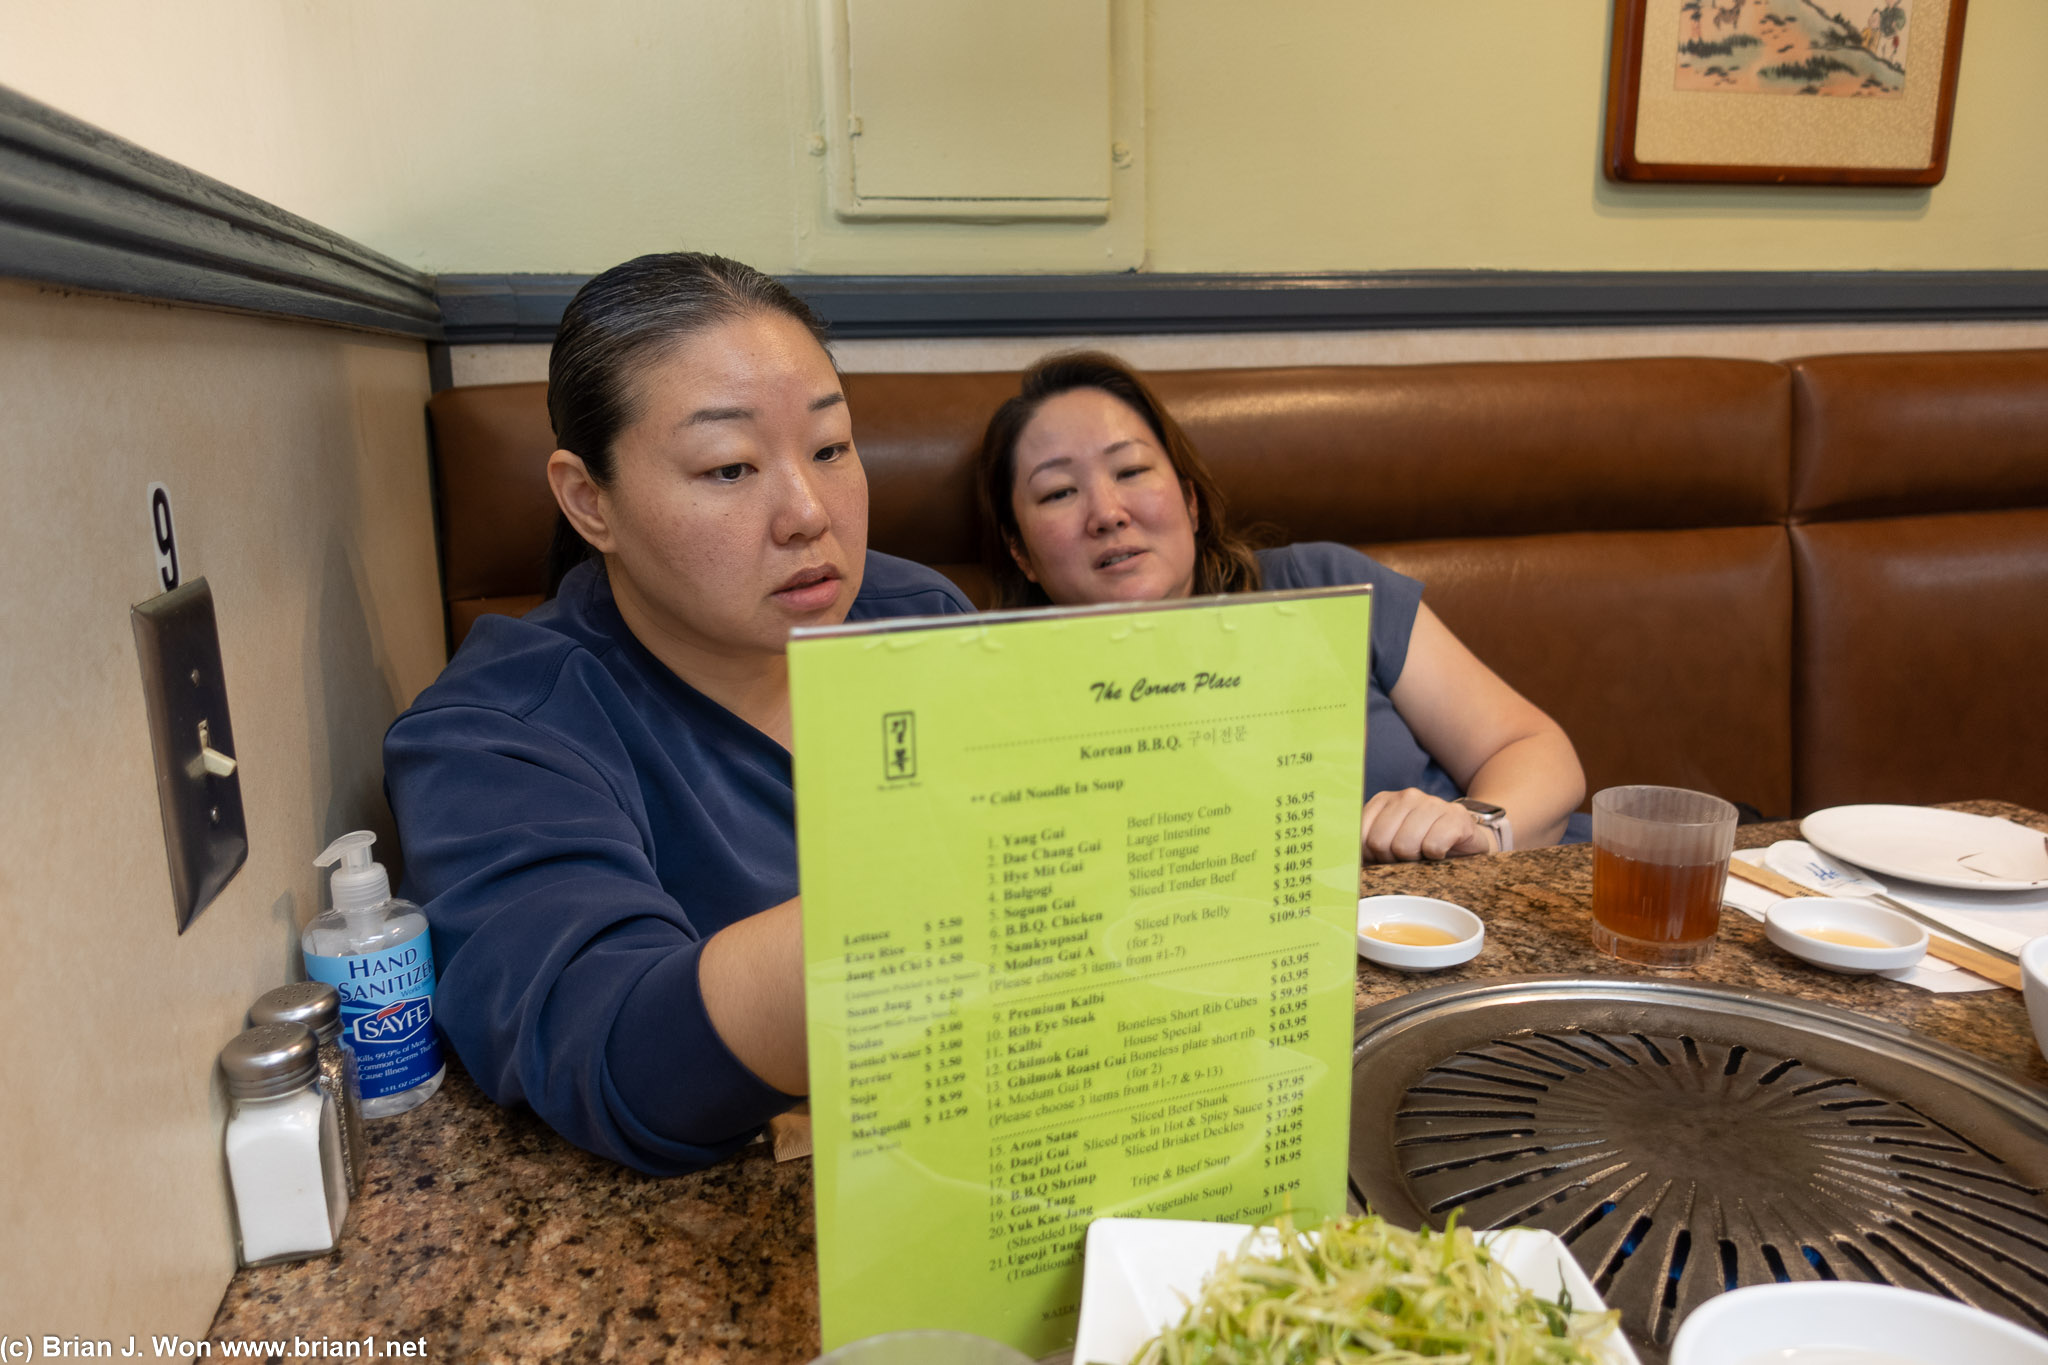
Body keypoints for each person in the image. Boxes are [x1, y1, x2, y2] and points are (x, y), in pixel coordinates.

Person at [383, 253, 973, 1174]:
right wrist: (961, 915)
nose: (808, 513)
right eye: (730, 467)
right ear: (589, 501)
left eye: (831, 448)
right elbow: (612, 1048)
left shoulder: (919, 622)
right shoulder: (499, 734)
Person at [974, 351, 1587, 862]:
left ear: (1189, 503)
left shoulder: (1323, 583)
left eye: (1131, 470)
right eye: (1058, 491)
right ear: (1021, 553)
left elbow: (1532, 748)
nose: (1107, 512)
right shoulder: (1006, 702)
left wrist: (1474, 830)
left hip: (1480, 915)